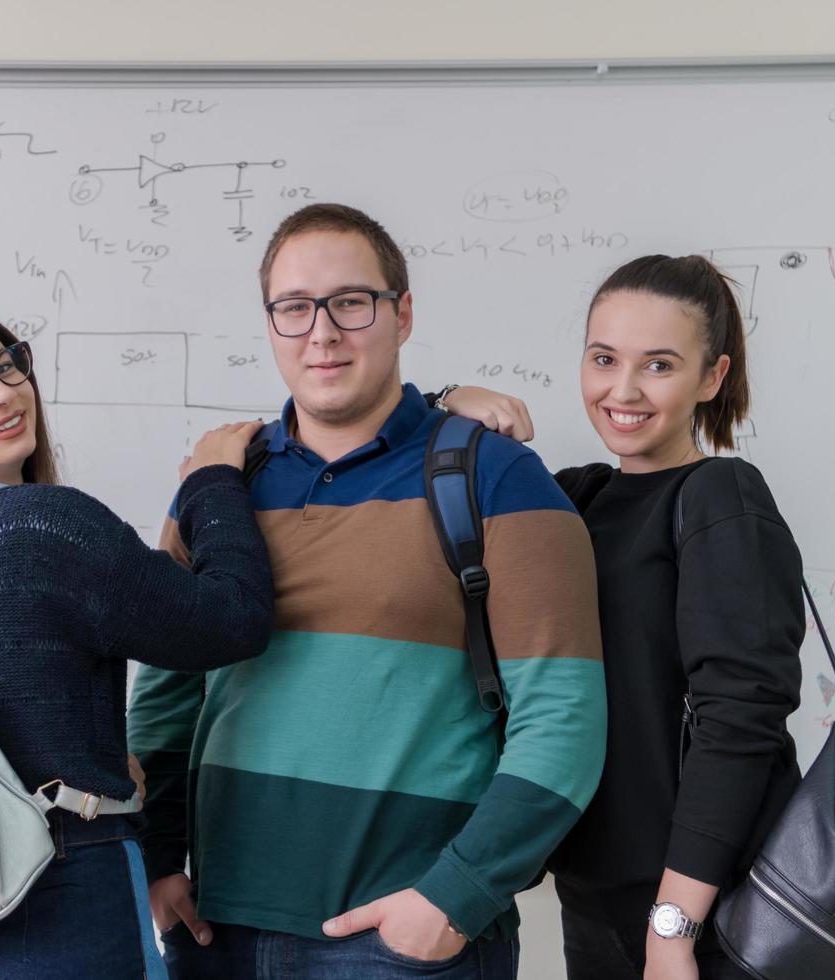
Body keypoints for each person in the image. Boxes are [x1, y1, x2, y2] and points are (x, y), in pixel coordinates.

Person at [128, 204, 607, 980]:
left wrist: (454, 899)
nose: (322, 333)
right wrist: (152, 860)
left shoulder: (496, 477)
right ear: (272, 322)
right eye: (295, 308)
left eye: (351, 302)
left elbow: (565, 718)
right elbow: (164, 700)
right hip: (216, 934)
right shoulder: (219, 488)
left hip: (403, 943)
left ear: (402, 313)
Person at [0, 300, 275, 980]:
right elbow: (232, 619)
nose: (4, 391)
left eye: (7, 364)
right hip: (64, 905)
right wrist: (213, 481)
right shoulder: (41, 526)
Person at [449, 255, 804, 980]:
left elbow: (741, 717)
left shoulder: (720, 496)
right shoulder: (576, 500)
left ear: (712, 378)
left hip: (715, 910)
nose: (624, 390)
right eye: (604, 358)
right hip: (595, 896)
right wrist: (448, 397)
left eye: (660, 365)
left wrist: (674, 926)